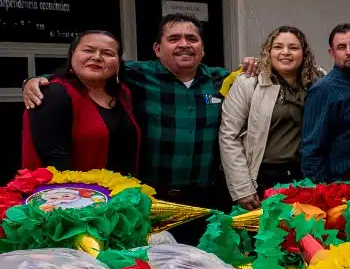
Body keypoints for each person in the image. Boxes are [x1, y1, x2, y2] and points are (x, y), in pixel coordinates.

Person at [24, 15, 234, 215]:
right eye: (173, 39)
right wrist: (35, 80)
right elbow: (91, 69)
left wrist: (253, 64)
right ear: (157, 49)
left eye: (192, 39)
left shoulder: (222, 80)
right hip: (149, 197)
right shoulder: (135, 75)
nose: (184, 44)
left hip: (206, 197)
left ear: (202, 48)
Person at [219, 25, 321, 209]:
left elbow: (344, 76)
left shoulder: (316, 83)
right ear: (268, 51)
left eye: (294, 47)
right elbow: (229, 137)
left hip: (304, 178)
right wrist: (242, 188)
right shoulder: (249, 82)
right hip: (261, 180)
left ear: (304, 53)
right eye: (278, 47)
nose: (285, 52)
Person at [23, 29, 141, 175]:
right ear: (72, 54)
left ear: (118, 62)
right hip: (73, 193)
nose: (97, 57)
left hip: (122, 192)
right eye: (88, 50)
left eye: (107, 53)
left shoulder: (123, 94)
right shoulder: (53, 93)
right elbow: (53, 160)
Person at [301, 24, 350, 184]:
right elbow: (311, 150)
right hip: (340, 187)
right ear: (332, 54)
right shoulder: (323, 90)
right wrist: (323, 194)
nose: (349, 52)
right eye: (341, 47)